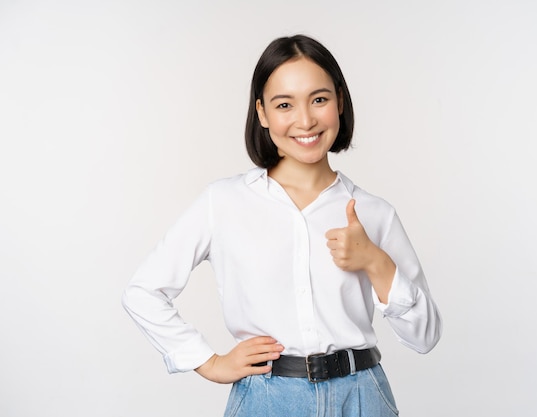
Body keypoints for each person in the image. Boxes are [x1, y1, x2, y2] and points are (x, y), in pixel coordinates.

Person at [122, 34, 442, 416]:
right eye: (284, 104)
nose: (305, 120)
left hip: (362, 398)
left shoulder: (374, 212)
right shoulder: (222, 202)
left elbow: (424, 337)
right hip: (267, 400)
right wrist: (208, 361)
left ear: (339, 101)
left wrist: (375, 261)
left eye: (319, 99)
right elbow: (143, 291)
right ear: (262, 113)